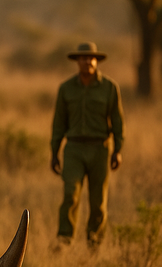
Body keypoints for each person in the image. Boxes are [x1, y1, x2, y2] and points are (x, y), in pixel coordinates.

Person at [50, 41, 125, 246]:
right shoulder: (66, 88)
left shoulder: (109, 87)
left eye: (91, 58)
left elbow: (118, 122)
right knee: (70, 195)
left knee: (98, 202)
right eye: (83, 58)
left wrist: (117, 150)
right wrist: (54, 152)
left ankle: (95, 241)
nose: (87, 62)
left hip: (100, 148)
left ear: (97, 61)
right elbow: (58, 124)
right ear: (77, 61)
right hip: (74, 148)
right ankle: (64, 239)